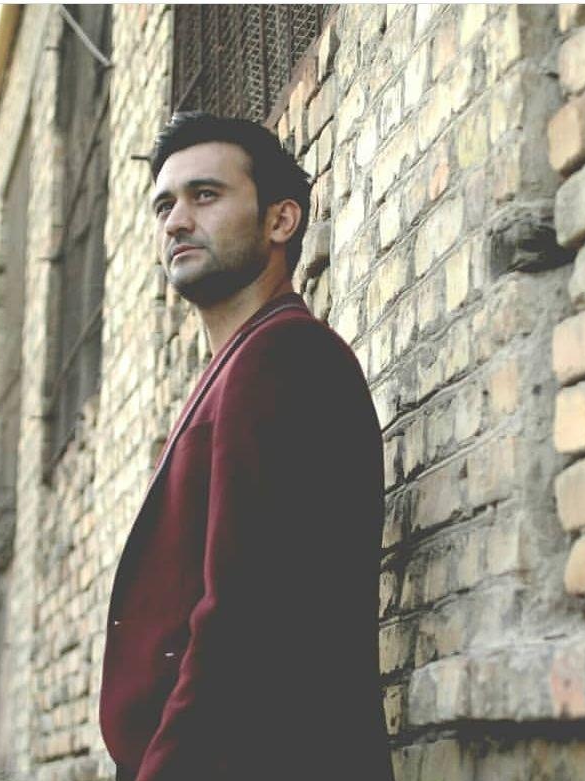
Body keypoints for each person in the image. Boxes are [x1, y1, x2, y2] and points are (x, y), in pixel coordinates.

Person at [99, 112, 395, 781]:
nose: (176, 221)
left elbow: (243, 617)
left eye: (205, 195)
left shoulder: (283, 356)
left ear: (280, 221)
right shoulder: (239, 366)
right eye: (164, 206)